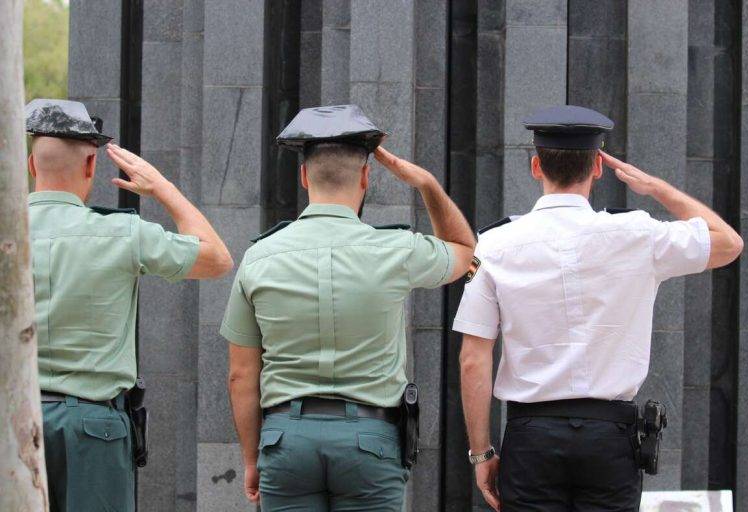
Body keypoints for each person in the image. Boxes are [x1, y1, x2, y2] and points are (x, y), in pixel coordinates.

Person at [454, 105, 743, 512]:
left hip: (532, 435)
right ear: (599, 167)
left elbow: (473, 359)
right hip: (609, 437)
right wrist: (657, 188)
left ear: (537, 166)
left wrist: (481, 453)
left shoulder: (495, 245)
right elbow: (728, 242)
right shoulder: (638, 234)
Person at [221, 104, 475, 511]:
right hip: (369, 442)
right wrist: (427, 184)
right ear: (366, 176)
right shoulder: (397, 250)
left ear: (304, 176)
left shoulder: (259, 257)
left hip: (286, 440)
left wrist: (252, 460)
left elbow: (241, 374)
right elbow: (466, 253)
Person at [25, 99, 233, 512]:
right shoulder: (122, 233)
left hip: (12, 425)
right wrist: (162, 188)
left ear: (32, 166)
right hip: (94, 429)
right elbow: (217, 259)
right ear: (90, 167)